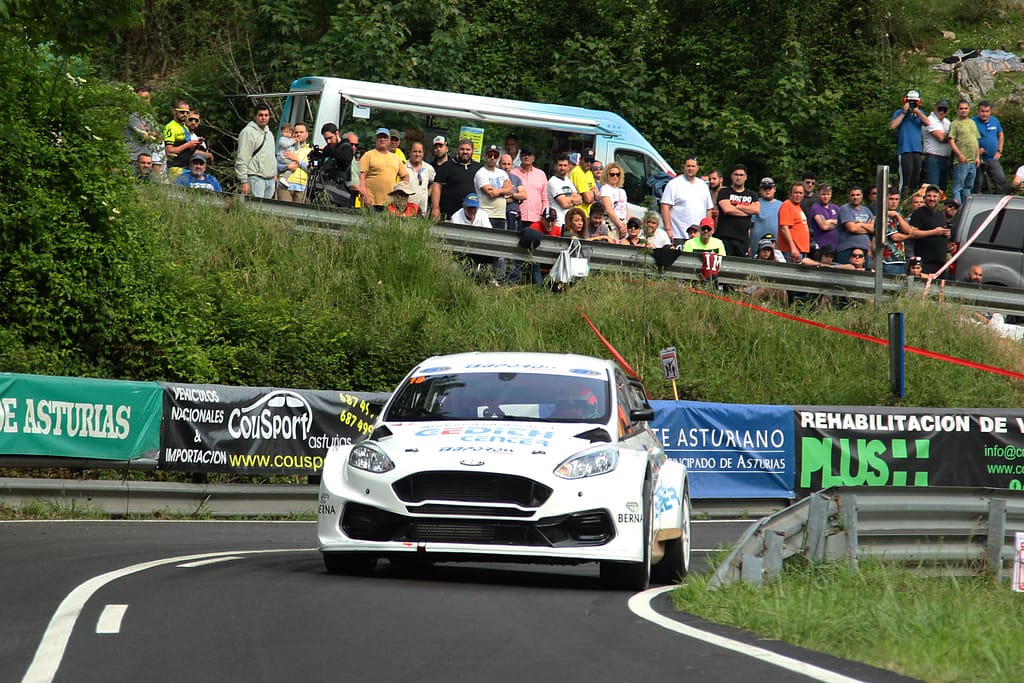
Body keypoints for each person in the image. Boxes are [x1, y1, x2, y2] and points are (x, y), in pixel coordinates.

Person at [660, 156, 714, 246]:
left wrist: (709, 229)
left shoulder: (703, 185)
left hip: (700, 236)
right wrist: (668, 229)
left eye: (693, 166)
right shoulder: (674, 184)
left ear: (698, 168)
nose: (690, 168)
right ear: (684, 167)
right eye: (688, 166)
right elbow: (665, 206)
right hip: (678, 234)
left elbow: (708, 209)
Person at [890, 89, 930, 197]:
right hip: (905, 149)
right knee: (905, 178)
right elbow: (893, 126)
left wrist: (917, 112)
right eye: (910, 101)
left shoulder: (920, 113)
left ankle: (911, 198)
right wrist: (904, 112)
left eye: (914, 102)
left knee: (915, 176)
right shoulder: (899, 112)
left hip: (917, 149)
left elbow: (927, 122)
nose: (912, 103)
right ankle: (902, 198)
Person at [715, 164, 760, 257]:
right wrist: (747, 212)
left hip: (743, 238)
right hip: (725, 237)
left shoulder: (752, 195)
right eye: (736, 174)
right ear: (731, 176)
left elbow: (756, 210)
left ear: (746, 177)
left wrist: (737, 205)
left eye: (741, 175)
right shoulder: (724, 192)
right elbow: (727, 209)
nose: (738, 177)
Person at [359, 127, 408, 210]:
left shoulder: (396, 158)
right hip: (371, 202)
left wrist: (402, 192)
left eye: (385, 137)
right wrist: (365, 196)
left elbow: (405, 175)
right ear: (375, 139)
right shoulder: (368, 155)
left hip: (390, 203)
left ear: (389, 140)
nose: (382, 139)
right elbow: (361, 178)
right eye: (380, 137)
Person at [234, 104, 277, 198]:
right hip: (255, 177)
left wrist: (274, 174)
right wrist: (244, 181)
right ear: (255, 117)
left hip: (270, 179)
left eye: (266, 115)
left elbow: (272, 156)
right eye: (260, 115)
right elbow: (242, 157)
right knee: (256, 206)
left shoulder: (269, 134)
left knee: (268, 207)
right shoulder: (248, 132)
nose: (263, 118)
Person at [432, 139, 481, 220]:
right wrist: (435, 208)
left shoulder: (479, 168)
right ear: (457, 150)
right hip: (449, 213)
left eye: (468, 149)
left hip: (473, 214)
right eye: (462, 149)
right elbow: (436, 187)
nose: (465, 152)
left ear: (472, 151)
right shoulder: (446, 166)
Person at [909, 185, 952, 275]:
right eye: (929, 196)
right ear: (925, 198)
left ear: (939, 198)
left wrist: (947, 236)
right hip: (925, 262)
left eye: (935, 196)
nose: (932, 199)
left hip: (941, 263)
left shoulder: (940, 215)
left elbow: (941, 235)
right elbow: (912, 233)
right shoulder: (919, 213)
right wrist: (934, 232)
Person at [948, 99, 981, 206]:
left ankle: (966, 208)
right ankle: (957, 209)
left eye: (966, 108)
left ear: (969, 109)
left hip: (973, 161)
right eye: (961, 108)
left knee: (968, 187)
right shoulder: (955, 123)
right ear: (957, 110)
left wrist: (977, 157)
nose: (963, 110)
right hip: (961, 161)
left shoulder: (972, 123)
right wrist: (960, 155)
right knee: (958, 187)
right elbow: (951, 140)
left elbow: (976, 140)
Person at [125, 86, 163, 175]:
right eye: (141, 98)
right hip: (132, 159)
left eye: (146, 98)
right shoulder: (132, 116)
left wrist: (149, 133)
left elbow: (161, 139)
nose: (143, 101)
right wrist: (151, 134)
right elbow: (145, 137)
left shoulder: (150, 117)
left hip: (147, 160)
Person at [973, 100, 1008, 194]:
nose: (985, 114)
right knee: (978, 183)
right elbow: (970, 139)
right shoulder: (973, 122)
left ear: (990, 111)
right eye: (982, 111)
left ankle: (1001, 200)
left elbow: (1000, 135)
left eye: (987, 111)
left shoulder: (994, 120)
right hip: (979, 158)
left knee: (1001, 180)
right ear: (978, 111)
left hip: (993, 158)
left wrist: (999, 150)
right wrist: (976, 150)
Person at [474, 144, 513, 229]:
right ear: (485, 156)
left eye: (495, 156)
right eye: (490, 155)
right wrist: (504, 191)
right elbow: (491, 193)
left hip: (501, 216)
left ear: (498, 157)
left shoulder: (502, 173)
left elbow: (510, 190)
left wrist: (498, 191)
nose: (492, 158)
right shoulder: (481, 173)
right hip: (485, 214)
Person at [164, 99, 202, 180]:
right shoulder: (170, 127)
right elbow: (169, 150)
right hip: (176, 167)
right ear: (174, 111)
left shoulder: (185, 127)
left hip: (187, 167)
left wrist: (196, 145)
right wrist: (188, 145)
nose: (185, 115)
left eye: (187, 113)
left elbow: (189, 150)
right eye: (182, 112)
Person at [836, 186, 875, 265]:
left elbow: (874, 229)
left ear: (862, 196)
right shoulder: (845, 209)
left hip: (865, 249)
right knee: (847, 271)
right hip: (847, 248)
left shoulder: (866, 210)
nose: (855, 197)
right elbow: (852, 228)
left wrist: (860, 224)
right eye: (852, 195)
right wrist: (867, 226)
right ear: (849, 196)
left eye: (858, 195)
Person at [510, 146, 548, 226]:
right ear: (520, 157)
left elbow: (545, 198)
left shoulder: (541, 174)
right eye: (524, 155)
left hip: (536, 218)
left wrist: (543, 215)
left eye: (529, 155)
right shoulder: (512, 173)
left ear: (533, 158)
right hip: (517, 216)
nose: (526, 157)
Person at [882, 188, 913, 275]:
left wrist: (898, 217)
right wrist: (909, 236)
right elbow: (894, 237)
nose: (894, 202)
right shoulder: (883, 216)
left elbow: (908, 230)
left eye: (896, 199)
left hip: (901, 260)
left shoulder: (898, 214)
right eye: (891, 199)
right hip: (888, 261)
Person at [922, 99, 952, 191]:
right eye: (940, 109)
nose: (942, 112)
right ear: (935, 108)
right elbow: (941, 138)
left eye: (944, 110)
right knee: (933, 188)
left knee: (942, 189)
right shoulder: (930, 120)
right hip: (933, 158)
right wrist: (952, 136)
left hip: (945, 158)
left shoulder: (947, 122)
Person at [547, 153, 583, 227]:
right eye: (560, 165)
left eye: (565, 165)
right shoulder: (552, 181)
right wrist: (573, 200)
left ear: (568, 167)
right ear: (555, 167)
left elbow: (580, 200)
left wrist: (569, 200)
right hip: (558, 223)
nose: (562, 168)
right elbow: (564, 204)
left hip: (569, 223)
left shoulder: (568, 181)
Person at [777, 183, 810, 263]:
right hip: (791, 251)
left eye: (800, 193)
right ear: (790, 194)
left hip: (801, 250)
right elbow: (784, 228)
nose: (798, 195)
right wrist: (793, 247)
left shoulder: (797, 207)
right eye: (796, 192)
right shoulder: (787, 205)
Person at [279, 122, 311, 202]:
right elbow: (276, 166)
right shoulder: (285, 147)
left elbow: (311, 170)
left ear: (307, 134)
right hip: (284, 186)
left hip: (301, 187)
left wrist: (298, 161)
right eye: (296, 132)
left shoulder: (310, 151)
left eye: (301, 132)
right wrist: (286, 167)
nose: (298, 134)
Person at [750, 177, 782, 258]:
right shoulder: (755, 203)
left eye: (769, 188)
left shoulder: (782, 205)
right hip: (756, 246)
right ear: (760, 190)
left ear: (774, 189)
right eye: (764, 188)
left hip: (776, 247)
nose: (767, 190)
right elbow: (749, 226)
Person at [405, 141, 435, 215]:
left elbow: (434, 182)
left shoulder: (428, 168)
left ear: (423, 153)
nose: (417, 154)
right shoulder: (403, 167)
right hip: (405, 209)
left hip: (422, 210)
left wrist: (427, 193)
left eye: (420, 152)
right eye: (414, 151)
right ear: (410, 153)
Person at [600, 162, 629, 238]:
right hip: (611, 223)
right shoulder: (605, 188)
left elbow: (626, 209)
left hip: (623, 222)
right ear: (607, 175)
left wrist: (625, 225)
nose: (615, 176)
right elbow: (608, 209)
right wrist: (620, 225)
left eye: (617, 174)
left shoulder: (622, 191)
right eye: (612, 174)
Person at [809, 183, 840, 252]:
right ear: (818, 194)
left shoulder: (835, 207)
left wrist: (830, 221)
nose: (826, 197)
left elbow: (844, 223)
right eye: (823, 194)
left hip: (836, 247)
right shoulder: (816, 207)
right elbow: (824, 226)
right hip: (822, 247)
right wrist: (837, 223)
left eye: (828, 194)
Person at [500, 154, 526, 231]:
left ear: (512, 165)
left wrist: (511, 194)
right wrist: (516, 197)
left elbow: (524, 195)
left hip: (514, 214)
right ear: (499, 164)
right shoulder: (495, 177)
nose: (506, 167)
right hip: (500, 214)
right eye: (504, 164)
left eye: (509, 164)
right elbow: (495, 196)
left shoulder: (516, 179)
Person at [568, 149, 598, 214]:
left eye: (591, 161)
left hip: (588, 212)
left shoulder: (589, 173)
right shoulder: (577, 172)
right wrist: (593, 194)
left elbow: (598, 195)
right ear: (580, 159)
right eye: (586, 160)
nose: (589, 163)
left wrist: (592, 194)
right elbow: (588, 199)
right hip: (578, 213)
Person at [276, 123, 296, 188]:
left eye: (290, 132)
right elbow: (285, 145)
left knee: (292, 166)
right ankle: (282, 178)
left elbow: (296, 148)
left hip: (286, 158)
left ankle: (284, 178)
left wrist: (296, 141)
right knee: (294, 164)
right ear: (281, 132)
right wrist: (293, 140)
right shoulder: (282, 139)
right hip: (282, 157)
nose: (288, 134)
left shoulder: (290, 140)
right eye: (286, 132)